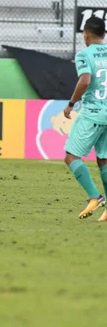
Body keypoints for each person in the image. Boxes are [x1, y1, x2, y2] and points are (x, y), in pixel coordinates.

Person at [63, 16, 107, 221]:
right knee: (104, 159)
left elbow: (85, 80)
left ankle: (94, 196)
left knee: (71, 157)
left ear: (86, 34)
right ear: (104, 35)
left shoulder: (84, 54)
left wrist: (71, 103)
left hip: (93, 113)